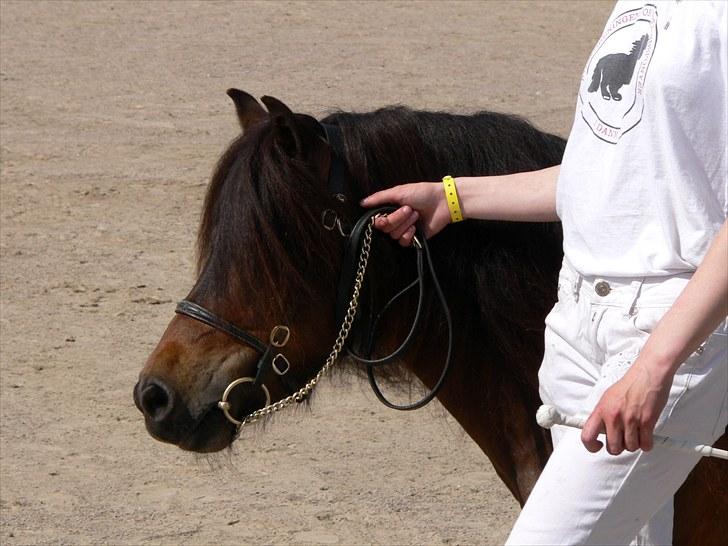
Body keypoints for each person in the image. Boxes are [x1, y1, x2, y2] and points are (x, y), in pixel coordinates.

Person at [360, 1, 727, 544]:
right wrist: (451, 198)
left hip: (665, 336)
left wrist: (654, 366)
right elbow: (601, 173)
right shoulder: (637, 5)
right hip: (577, 332)